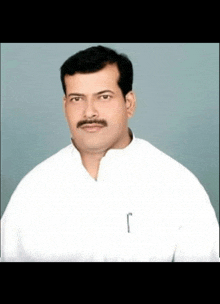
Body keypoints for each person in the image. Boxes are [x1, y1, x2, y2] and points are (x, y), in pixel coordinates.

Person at [1, 45, 219, 262]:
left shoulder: (176, 187)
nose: (89, 112)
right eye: (77, 99)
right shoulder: (33, 191)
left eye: (103, 97)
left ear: (129, 104)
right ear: (65, 105)